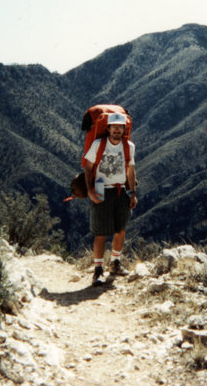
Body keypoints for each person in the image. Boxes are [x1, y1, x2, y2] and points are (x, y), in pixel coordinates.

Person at [83, 112, 138, 286]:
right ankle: (98, 269)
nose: (117, 131)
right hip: (101, 189)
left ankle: (115, 263)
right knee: (101, 232)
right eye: (114, 127)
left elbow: (130, 169)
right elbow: (88, 168)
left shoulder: (129, 146)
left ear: (124, 129)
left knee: (120, 229)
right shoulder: (98, 145)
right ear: (108, 129)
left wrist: (133, 193)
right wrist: (90, 191)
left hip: (120, 190)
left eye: (120, 128)